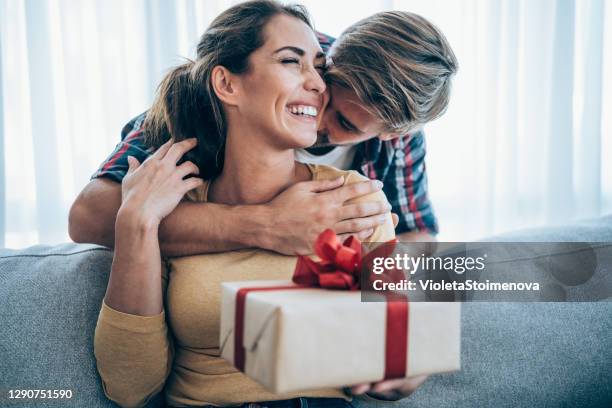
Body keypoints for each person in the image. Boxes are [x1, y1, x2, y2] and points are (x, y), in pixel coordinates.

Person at [93, 2, 426, 407]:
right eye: (291, 61)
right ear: (228, 84)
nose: (320, 86)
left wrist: (404, 364)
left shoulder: (359, 201)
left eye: (319, 69)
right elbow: (130, 387)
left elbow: (400, 354)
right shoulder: (167, 199)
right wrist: (139, 223)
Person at [68, 8, 458, 256]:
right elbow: (90, 215)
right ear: (333, 56)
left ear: (390, 135)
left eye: (345, 124)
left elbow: (417, 233)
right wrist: (267, 225)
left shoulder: (398, 133)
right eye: (324, 80)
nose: (318, 114)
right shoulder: (266, 67)